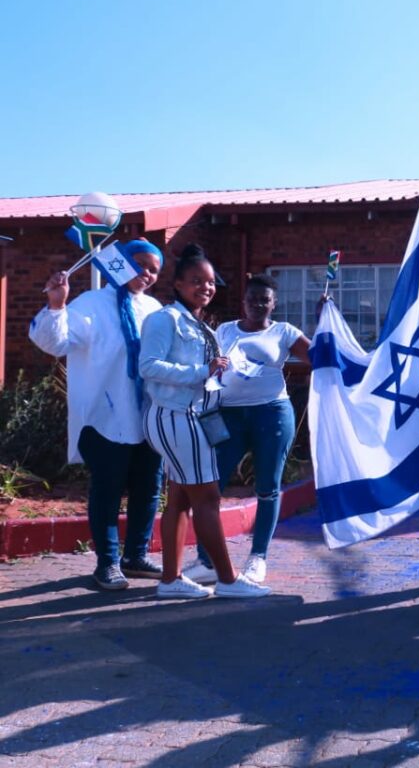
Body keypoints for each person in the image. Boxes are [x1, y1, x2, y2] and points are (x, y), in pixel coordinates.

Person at [31, 240, 166, 591]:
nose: (147, 274)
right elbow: (55, 343)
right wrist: (57, 304)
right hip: (105, 417)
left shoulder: (153, 308)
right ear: (119, 262)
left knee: (148, 489)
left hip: (148, 417)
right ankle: (107, 562)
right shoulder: (91, 304)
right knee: (107, 490)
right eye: (140, 264)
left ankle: (135, 555)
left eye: (154, 269)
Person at [139, 244, 270, 600]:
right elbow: (148, 366)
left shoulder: (197, 324)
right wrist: (202, 371)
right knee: (208, 498)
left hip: (191, 415)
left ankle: (171, 579)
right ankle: (227, 580)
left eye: (210, 282)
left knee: (180, 499)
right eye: (196, 281)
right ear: (178, 283)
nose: (206, 288)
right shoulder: (164, 319)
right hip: (177, 415)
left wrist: (219, 371)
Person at [182, 274, 309, 586]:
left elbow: (317, 358)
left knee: (267, 485)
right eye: (252, 298)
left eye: (265, 299)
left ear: (274, 304)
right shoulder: (225, 330)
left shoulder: (284, 331)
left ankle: (258, 558)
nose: (258, 304)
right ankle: (207, 560)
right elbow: (204, 361)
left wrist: (327, 324)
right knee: (211, 485)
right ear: (243, 301)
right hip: (228, 416)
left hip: (271, 414)